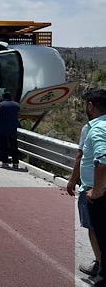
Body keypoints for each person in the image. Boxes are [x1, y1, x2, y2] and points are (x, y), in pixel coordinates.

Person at [67, 123, 102, 278]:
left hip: (93, 188)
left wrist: (72, 180)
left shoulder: (91, 127)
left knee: (93, 226)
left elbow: (81, 156)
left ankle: (100, 266)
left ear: (90, 105)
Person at [79, 88, 106, 287]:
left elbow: (103, 161)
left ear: (91, 106)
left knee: (97, 230)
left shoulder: (96, 128)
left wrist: (95, 192)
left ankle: (102, 271)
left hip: (99, 192)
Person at [0, 91, 21, 169]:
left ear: (3, 97)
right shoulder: (16, 105)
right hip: (13, 129)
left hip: (2, 128)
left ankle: (5, 162)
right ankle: (15, 163)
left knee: (3, 146)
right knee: (14, 146)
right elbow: (18, 114)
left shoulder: (0, 105)